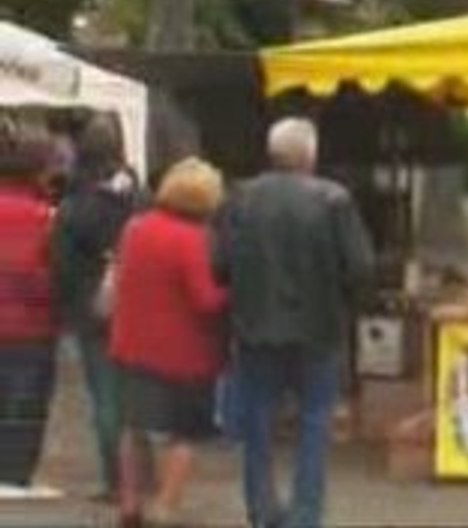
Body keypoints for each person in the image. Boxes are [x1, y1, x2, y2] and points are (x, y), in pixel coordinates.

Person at [214, 118, 374, 528]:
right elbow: (360, 267)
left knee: (258, 422)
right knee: (315, 422)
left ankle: (262, 510)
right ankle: (304, 515)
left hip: (254, 328)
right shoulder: (334, 200)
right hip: (319, 329)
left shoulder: (240, 198)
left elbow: (219, 265)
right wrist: (346, 303)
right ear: (310, 154)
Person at [110, 158, 228, 526]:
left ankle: (128, 506)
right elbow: (204, 300)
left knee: (133, 428)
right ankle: (164, 507)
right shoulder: (191, 239)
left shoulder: (136, 229)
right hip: (182, 353)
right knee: (184, 433)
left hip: (131, 343)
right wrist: (233, 293)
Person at [50, 115, 141, 501]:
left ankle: (116, 482)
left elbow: (61, 266)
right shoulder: (141, 199)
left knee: (105, 398)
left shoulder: (73, 207)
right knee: (138, 396)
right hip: (141, 310)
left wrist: (74, 306)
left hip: (93, 313)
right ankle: (141, 478)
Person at [0, 118, 57, 487]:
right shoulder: (49, 219)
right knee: (24, 412)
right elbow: (55, 276)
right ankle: (15, 479)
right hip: (32, 329)